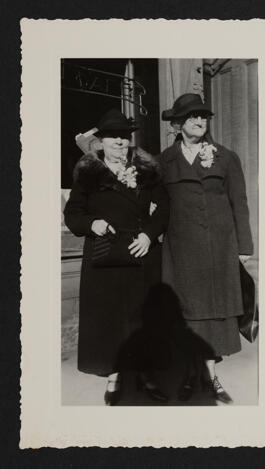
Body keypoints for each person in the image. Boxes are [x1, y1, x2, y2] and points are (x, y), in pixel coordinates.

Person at [64, 109, 169, 405]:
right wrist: (91, 224)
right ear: (102, 140)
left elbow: (163, 207)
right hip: (105, 255)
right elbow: (72, 214)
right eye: (113, 137)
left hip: (141, 252)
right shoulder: (88, 172)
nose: (120, 142)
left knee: (143, 318)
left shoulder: (147, 171)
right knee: (110, 319)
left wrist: (149, 234)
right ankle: (113, 376)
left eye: (124, 136)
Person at [160, 93, 253, 403]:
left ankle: (211, 377)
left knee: (213, 316)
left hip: (218, 248)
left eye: (203, 116)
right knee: (188, 314)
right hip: (181, 251)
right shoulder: (165, 161)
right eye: (191, 116)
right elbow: (157, 205)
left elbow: (239, 202)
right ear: (177, 124)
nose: (200, 121)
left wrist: (244, 245)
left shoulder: (226, 157)